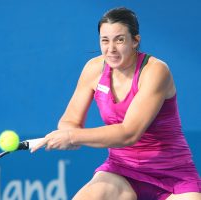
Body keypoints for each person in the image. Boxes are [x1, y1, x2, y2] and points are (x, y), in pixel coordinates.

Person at [31, 7, 201, 200]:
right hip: (121, 172)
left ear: (135, 40)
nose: (110, 49)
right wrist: (67, 132)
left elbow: (129, 133)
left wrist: (72, 137)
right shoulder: (93, 69)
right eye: (105, 40)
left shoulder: (155, 71)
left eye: (119, 40)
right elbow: (70, 120)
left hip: (174, 178)